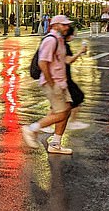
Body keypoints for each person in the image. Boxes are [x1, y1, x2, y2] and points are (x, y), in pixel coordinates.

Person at [22, 15, 74, 155]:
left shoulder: (59, 40)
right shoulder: (50, 40)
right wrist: (51, 83)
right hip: (53, 83)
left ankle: (55, 143)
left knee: (67, 109)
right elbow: (42, 63)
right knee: (61, 113)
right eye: (64, 25)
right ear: (55, 25)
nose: (67, 27)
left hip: (60, 82)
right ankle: (32, 129)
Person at [41, 26, 88, 133]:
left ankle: (55, 137)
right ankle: (38, 126)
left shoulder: (61, 43)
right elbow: (67, 60)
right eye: (73, 34)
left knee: (63, 106)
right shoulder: (60, 44)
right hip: (62, 80)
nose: (74, 37)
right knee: (74, 100)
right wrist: (80, 51)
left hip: (63, 79)